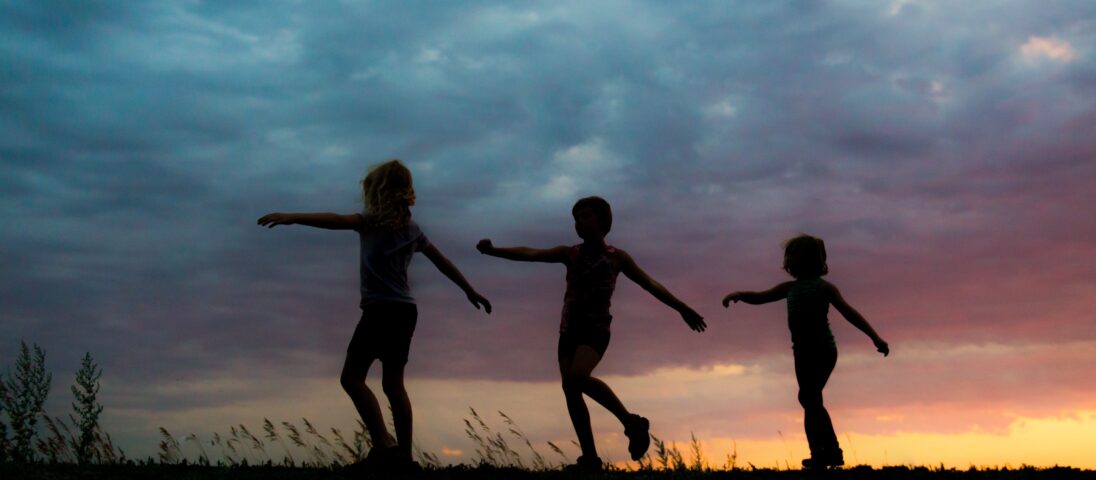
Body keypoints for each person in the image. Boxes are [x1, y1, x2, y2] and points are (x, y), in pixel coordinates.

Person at [258, 160, 491, 471]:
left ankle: (385, 445)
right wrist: (469, 290)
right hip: (404, 311)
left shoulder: (369, 222)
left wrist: (294, 217)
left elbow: (334, 220)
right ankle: (402, 456)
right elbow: (442, 261)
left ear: (376, 191)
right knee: (392, 385)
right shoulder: (411, 229)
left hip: (381, 310)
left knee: (353, 379)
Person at [477, 196, 706, 472]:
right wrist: (494, 250)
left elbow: (650, 284)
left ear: (603, 221)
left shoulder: (617, 257)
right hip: (568, 330)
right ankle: (590, 459)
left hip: (596, 330)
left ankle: (631, 422)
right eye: (576, 218)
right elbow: (530, 253)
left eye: (586, 216)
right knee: (570, 389)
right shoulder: (569, 253)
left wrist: (681, 307)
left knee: (577, 377)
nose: (579, 222)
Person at [722, 234, 888, 469]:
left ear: (808, 259)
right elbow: (761, 297)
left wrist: (875, 337)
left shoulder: (824, 288)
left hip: (823, 350)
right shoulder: (789, 288)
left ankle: (829, 450)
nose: (788, 260)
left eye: (792, 255)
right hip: (801, 353)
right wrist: (739, 295)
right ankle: (822, 453)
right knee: (810, 400)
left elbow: (849, 313)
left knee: (808, 398)